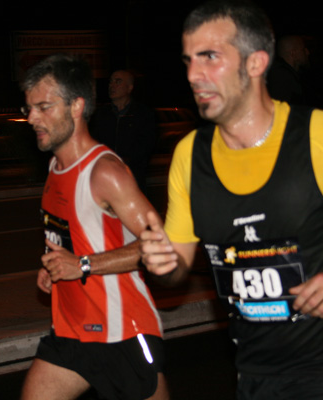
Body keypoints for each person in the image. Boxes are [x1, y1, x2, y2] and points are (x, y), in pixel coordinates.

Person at [140, 1, 323, 399]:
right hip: (253, 375)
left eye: (209, 57)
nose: (193, 75)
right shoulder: (190, 155)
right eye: (188, 60)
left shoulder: (315, 135)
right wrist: (161, 264)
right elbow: (175, 274)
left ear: (256, 62)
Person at [20, 54, 168, 400]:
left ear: (76, 106)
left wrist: (82, 265)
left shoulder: (105, 172)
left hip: (122, 332)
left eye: (43, 107)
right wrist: (54, 264)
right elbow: (70, 233)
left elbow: (160, 244)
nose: (31, 118)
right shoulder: (55, 166)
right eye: (29, 108)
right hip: (71, 330)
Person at [90, 70, 157, 194]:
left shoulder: (142, 114)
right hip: (105, 178)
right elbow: (93, 143)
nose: (112, 85)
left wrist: (125, 162)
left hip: (132, 179)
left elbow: (146, 145)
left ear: (129, 88)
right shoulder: (101, 114)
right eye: (111, 82)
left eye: (118, 82)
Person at [267, 35, 310, 105]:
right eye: (303, 49)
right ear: (293, 54)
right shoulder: (282, 78)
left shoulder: (292, 75)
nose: (307, 52)